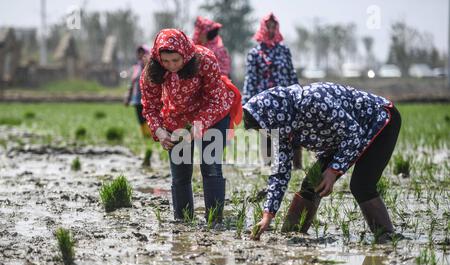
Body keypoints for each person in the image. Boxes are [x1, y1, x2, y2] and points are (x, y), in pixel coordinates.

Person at [243, 82, 402, 243]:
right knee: (311, 186)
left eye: (263, 129)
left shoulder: (313, 100)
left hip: (380, 121)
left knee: (361, 185)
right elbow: (280, 173)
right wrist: (267, 215)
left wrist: (333, 171)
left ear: (272, 116)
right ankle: (293, 235)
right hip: (341, 140)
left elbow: (353, 132)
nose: (266, 134)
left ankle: (387, 238)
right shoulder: (282, 126)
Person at [140, 29, 242, 223]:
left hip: (212, 113)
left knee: (209, 164)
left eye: (176, 60)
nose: (171, 66)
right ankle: (183, 220)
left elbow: (215, 98)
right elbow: (150, 106)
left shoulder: (204, 59)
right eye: (166, 61)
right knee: (180, 171)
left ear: (185, 54)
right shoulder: (152, 71)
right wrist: (159, 131)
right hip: (176, 117)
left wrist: (200, 124)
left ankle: (215, 219)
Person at [243, 13, 302, 169]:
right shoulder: (255, 53)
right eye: (268, 26)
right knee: (267, 133)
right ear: (263, 27)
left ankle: (296, 166)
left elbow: (291, 73)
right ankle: (269, 166)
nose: (271, 29)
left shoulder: (284, 51)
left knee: (292, 131)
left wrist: (299, 94)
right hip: (264, 100)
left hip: (284, 99)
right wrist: (247, 101)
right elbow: (251, 79)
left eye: (273, 26)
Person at [124, 45, 152, 138]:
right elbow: (132, 83)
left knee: (149, 117)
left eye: (143, 52)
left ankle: (152, 135)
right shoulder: (136, 68)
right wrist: (128, 97)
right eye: (139, 53)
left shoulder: (151, 67)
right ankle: (145, 136)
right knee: (140, 118)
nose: (141, 55)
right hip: (137, 98)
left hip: (148, 98)